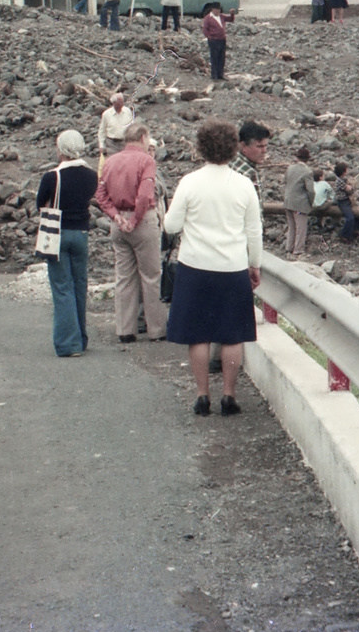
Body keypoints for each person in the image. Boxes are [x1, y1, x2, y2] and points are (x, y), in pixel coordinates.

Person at [164, 120, 263, 416]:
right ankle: (229, 395)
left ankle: (202, 395)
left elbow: (171, 225)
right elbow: (254, 231)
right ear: (234, 148)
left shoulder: (189, 182)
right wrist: (254, 265)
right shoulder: (244, 184)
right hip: (232, 267)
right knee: (232, 334)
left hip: (195, 266)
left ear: (201, 147)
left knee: (199, 334)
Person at [95, 123, 166, 343]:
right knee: (151, 275)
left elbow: (100, 193)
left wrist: (115, 216)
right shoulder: (147, 161)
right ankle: (156, 329)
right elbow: (145, 195)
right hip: (142, 221)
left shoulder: (111, 160)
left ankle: (125, 329)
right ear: (144, 137)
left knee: (124, 276)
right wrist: (135, 219)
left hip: (118, 222)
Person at [36, 131, 99, 358]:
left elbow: (39, 203)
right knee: (79, 284)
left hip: (57, 233)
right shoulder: (92, 175)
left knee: (62, 287)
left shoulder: (52, 177)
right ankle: (81, 337)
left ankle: (68, 343)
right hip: (82, 232)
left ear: (61, 149)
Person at [284, 147, 315, 257]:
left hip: (288, 201)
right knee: (301, 228)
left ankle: (289, 248)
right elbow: (310, 190)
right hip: (300, 205)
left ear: (297, 157)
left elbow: (285, 181)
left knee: (291, 226)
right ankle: (298, 250)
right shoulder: (307, 172)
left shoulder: (290, 168)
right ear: (307, 159)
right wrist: (311, 203)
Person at [97, 91, 135, 157]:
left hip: (125, 142)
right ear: (114, 103)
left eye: (123, 101)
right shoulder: (106, 114)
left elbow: (132, 127)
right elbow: (102, 131)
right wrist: (101, 145)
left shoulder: (127, 111)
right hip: (112, 143)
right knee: (113, 161)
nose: (122, 103)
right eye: (120, 102)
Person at [331, 162, 359, 243]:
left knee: (356, 215)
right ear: (343, 172)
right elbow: (350, 190)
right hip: (342, 201)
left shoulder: (343, 179)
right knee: (350, 218)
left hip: (346, 200)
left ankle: (354, 230)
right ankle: (344, 235)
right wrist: (352, 187)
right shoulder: (340, 181)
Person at [202, 3, 228, 80]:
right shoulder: (208, 18)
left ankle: (221, 74)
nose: (218, 11)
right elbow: (205, 29)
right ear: (213, 10)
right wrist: (209, 37)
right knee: (214, 57)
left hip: (222, 39)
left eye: (219, 10)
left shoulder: (221, 17)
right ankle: (214, 75)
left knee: (221, 57)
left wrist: (232, 13)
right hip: (214, 40)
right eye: (217, 10)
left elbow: (230, 19)